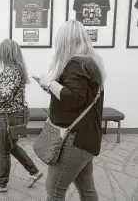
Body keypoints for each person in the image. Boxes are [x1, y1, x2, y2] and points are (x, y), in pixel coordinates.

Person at [36, 20, 105, 201]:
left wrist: (49, 83)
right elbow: (79, 97)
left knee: (55, 190)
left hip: (74, 139)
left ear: (66, 41)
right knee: (87, 189)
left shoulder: (77, 63)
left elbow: (73, 98)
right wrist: (51, 87)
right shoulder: (90, 63)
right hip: (87, 138)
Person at [0, 39, 43, 193]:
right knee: (11, 146)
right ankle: (34, 171)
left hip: (9, 116)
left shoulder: (11, 71)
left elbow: (5, 95)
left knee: (3, 150)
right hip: (12, 115)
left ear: (5, 53)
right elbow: (6, 91)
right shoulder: (15, 69)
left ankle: (1, 184)